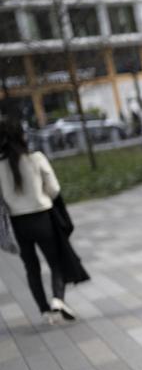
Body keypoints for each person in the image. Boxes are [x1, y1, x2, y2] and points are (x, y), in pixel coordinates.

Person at [0, 120, 82, 324]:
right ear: (22, 135)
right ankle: (57, 299)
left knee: (31, 268)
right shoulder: (36, 159)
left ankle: (44, 310)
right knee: (55, 262)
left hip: (18, 223)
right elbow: (54, 189)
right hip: (43, 217)